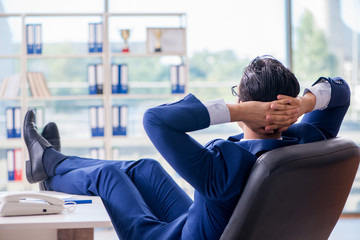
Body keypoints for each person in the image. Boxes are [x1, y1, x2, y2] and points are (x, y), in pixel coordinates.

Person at [23, 56, 350, 240]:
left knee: (109, 176)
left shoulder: (223, 167)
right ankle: (51, 162)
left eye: (237, 97)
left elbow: (155, 119)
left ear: (245, 104)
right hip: (195, 225)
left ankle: (49, 166)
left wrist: (234, 112)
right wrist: (306, 104)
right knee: (144, 168)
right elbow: (341, 90)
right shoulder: (307, 139)